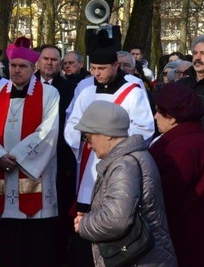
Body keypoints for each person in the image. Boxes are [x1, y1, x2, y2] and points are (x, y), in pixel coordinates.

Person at [65, 36, 154, 266]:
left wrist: (111, 141)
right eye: (93, 68)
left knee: (113, 218)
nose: (97, 74)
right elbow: (71, 123)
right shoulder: (85, 91)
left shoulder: (133, 90)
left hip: (119, 167)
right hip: (89, 168)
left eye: (102, 68)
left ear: (116, 66)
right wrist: (86, 138)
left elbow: (144, 128)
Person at [0, 36, 60, 267]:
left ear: (34, 68)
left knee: (32, 245)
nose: (17, 70)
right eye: (13, 65)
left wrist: (17, 157)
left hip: (33, 176)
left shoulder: (50, 95)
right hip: (0, 172)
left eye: (22, 66)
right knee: (0, 246)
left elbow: (48, 133)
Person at [73, 101, 176, 266]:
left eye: (88, 137)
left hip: (139, 260)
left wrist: (84, 224)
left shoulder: (124, 165)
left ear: (107, 133)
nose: (88, 145)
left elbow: (117, 220)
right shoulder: (131, 157)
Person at [149, 83, 204, 267]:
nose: (155, 116)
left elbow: (167, 197)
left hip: (181, 237)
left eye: (158, 111)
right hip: (191, 233)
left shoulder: (179, 148)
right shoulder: (192, 138)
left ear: (171, 117)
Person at [35, 44, 76, 265]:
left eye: (54, 59)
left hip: (60, 162)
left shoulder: (70, 89)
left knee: (58, 217)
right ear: (38, 61)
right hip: (29, 161)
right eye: (46, 59)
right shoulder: (26, 86)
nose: (49, 63)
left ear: (60, 63)